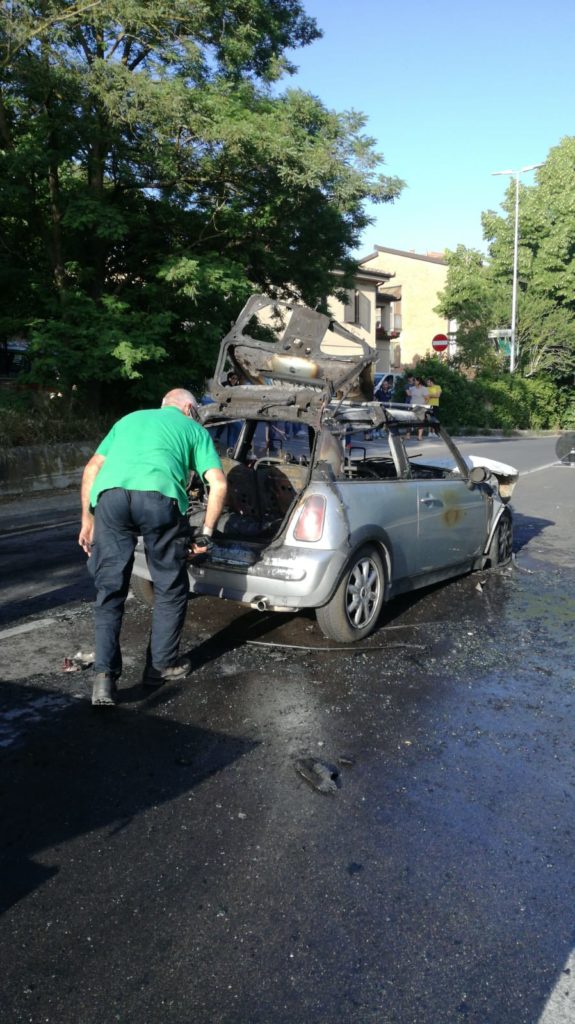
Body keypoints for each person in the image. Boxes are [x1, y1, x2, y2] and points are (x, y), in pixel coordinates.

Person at [78, 388, 227, 707]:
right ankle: (161, 666)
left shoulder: (129, 419)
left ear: (163, 405)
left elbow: (92, 469)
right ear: (189, 408)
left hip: (110, 500)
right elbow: (219, 483)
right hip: (159, 500)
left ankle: (104, 680)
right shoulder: (194, 429)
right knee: (170, 586)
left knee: (110, 590)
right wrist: (206, 533)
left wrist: (87, 519)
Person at [406, 376, 429, 440]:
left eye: (415, 380)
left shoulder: (424, 389)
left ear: (419, 382)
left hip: (420, 407)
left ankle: (419, 436)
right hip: (412, 406)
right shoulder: (412, 388)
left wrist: (423, 405)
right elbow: (409, 394)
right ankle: (408, 435)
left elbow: (427, 398)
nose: (414, 382)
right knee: (409, 421)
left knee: (420, 421)